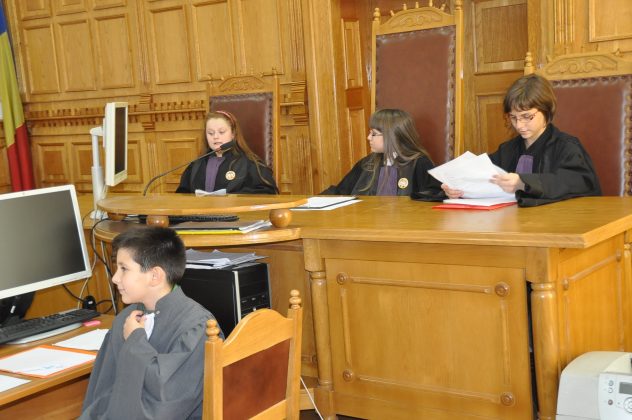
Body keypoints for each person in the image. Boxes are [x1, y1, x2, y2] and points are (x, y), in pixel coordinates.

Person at [81, 226, 222, 420]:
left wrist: (135, 341)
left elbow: (167, 406)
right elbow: (102, 391)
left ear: (155, 276)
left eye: (124, 269)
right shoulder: (125, 319)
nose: (115, 278)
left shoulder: (197, 327)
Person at [442, 74, 601, 206]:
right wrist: (457, 189)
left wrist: (523, 182)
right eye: (513, 117)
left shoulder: (568, 148)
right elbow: (482, 176)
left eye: (526, 117)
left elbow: (575, 183)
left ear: (546, 111)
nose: (519, 125)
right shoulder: (507, 150)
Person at [322, 108, 440, 196]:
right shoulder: (367, 163)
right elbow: (340, 192)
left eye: (374, 134)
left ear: (392, 136)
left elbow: (433, 196)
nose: (368, 137)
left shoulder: (419, 163)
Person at [176, 110, 278, 194]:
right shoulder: (195, 166)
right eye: (210, 133)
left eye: (221, 132)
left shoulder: (249, 163)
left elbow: (268, 192)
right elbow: (182, 195)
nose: (215, 136)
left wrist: (233, 198)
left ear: (233, 134)